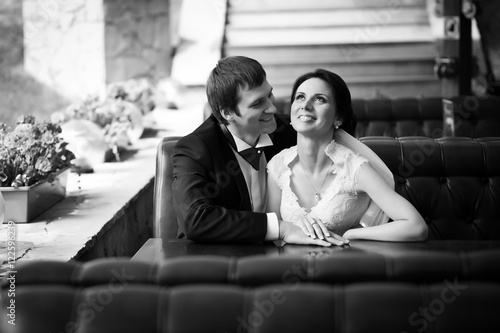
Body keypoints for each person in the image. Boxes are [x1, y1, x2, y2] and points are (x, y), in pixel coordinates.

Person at [172, 56, 349, 246]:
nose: (272, 107)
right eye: (258, 103)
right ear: (227, 113)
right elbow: (195, 220)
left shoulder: (290, 131)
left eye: (269, 95)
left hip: (284, 256)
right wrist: (280, 228)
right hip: (213, 261)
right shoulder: (194, 149)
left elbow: (342, 163)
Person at [267, 69, 428, 241]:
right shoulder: (278, 166)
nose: (305, 105)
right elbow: (272, 231)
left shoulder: (355, 169)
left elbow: (416, 227)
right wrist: (291, 227)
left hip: (344, 263)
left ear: (338, 118)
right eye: (300, 97)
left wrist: (351, 234)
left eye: (320, 99)